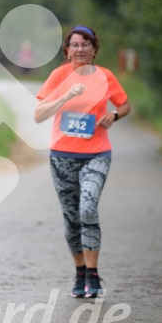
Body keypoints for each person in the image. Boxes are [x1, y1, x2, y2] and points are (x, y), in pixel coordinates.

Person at [34, 25, 131, 298]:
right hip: (62, 156)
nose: (80, 49)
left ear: (94, 49)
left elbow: (125, 105)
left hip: (97, 153)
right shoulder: (58, 76)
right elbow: (39, 115)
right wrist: (65, 96)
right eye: (75, 45)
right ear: (67, 51)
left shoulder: (106, 76)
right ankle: (79, 272)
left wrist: (113, 115)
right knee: (72, 219)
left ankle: (93, 273)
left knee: (88, 207)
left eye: (86, 44)